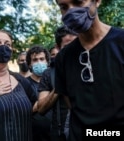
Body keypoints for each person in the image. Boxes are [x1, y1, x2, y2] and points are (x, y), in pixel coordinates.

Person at [54, 0, 124, 141]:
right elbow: (70, 103)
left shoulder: (121, 42)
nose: (71, 11)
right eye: (64, 7)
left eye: (78, 2)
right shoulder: (63, 57)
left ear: (97, 1)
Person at [38, 25, 77, 141]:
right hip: (60, 135)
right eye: (68, 46)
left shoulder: (90, 68)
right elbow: (41, 109)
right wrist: (59, 84)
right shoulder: (50, 73)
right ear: (58, 47)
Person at [25, 45, 51, 141]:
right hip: (35, 135)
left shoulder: (54, 81)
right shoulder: (24, 83)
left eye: (42, 59)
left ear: (47, 61)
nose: (39, 62)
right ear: (29, 64)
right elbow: (26, 109)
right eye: (35, 60)